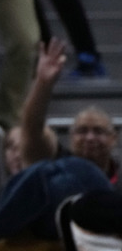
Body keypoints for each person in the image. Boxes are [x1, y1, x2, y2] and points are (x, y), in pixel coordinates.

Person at [19, 39, 120, 189]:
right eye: (82, 131)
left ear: (113, 139)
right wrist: (43, 84)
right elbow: (32, 129)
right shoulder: (57, 169)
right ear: (71, 137)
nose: (90, 138)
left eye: (98, 131)